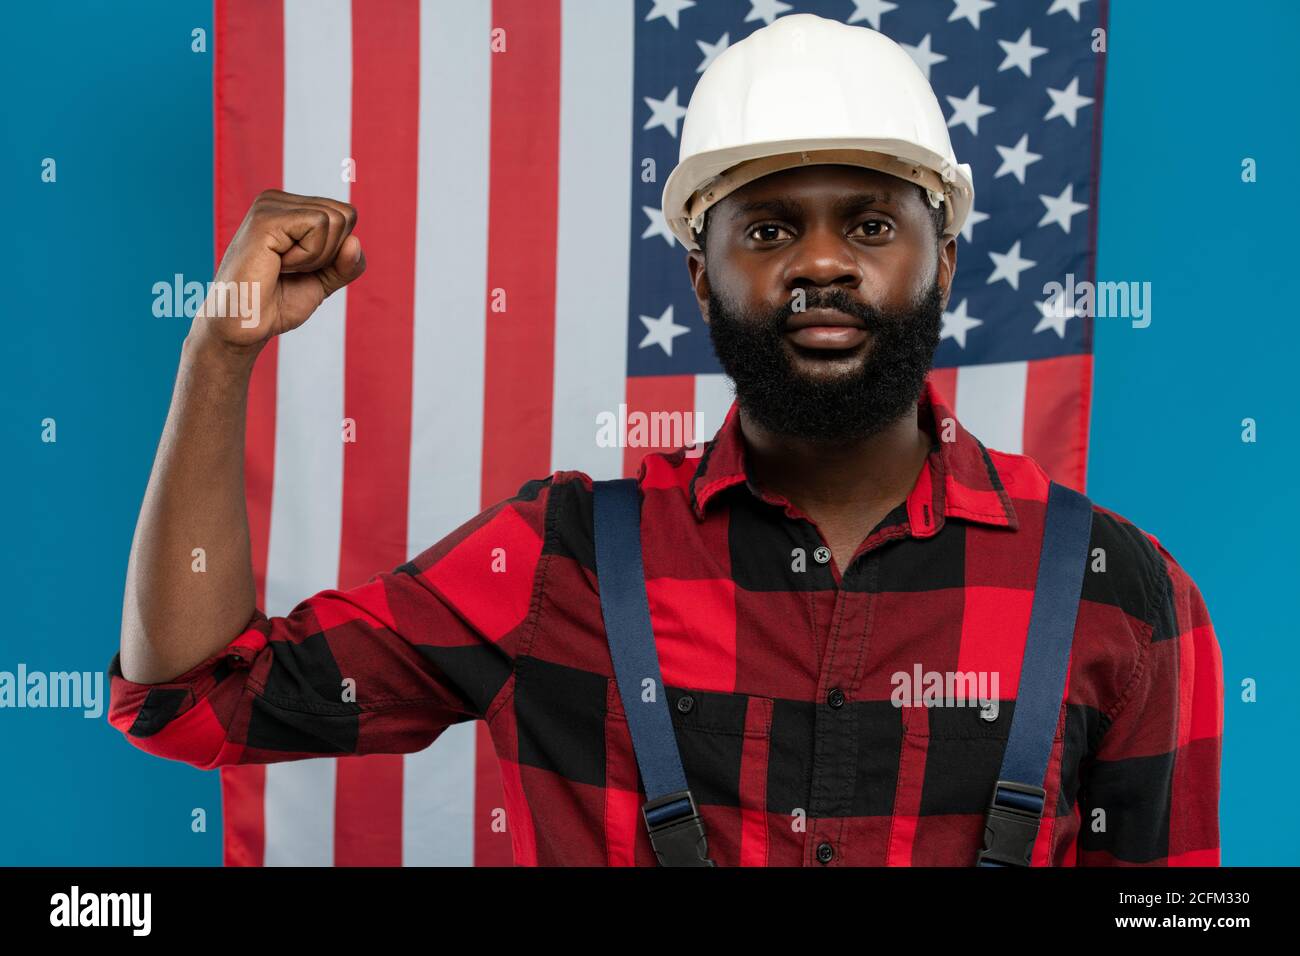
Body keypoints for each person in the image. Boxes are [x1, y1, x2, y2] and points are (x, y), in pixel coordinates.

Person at [109, 14, 1222, 866]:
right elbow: (192, 697)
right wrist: (221, 352)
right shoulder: (557, 562)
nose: (821, 263)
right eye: (771, 228)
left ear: (943, 261)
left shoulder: (1117, 593)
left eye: (873, 224)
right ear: (701, 274)